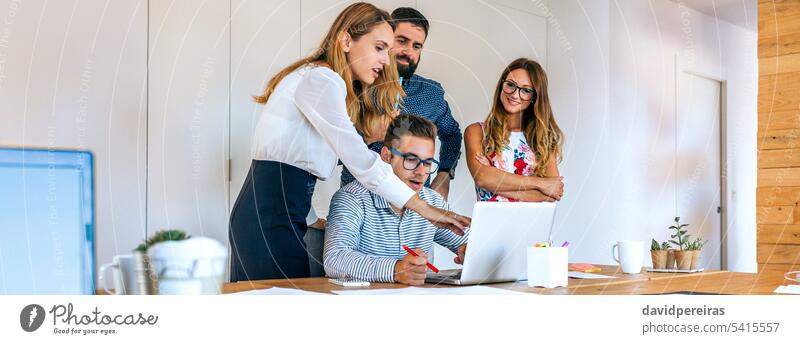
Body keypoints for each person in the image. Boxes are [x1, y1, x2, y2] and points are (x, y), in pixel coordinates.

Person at [229, 2, 470, 282]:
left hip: (277, 210)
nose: (385, 59)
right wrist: (424, 208)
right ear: (346, 40)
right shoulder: (323, 79)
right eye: (379, 47)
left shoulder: (319, 79)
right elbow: (359, 159)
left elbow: (300, 162)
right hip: (269, 215)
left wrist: (308, 217)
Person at [324, 115, 468, 285]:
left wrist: (472, 252)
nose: (421, 172)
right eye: (411, 160)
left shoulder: (434, 202)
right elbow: (334, 259)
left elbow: (467, 243)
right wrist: (396, 270)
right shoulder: (352, 198)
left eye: (428, 163)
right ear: (386, 156)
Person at [340, 7, 462, 200]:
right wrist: (367, 138)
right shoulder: (355, 86)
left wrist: (445, 174)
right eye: (402, 41)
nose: (408, 52)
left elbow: (452, 134)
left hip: (415, 209)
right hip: (358, 201)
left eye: (417, 46)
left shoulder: (432, 94)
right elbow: (327, 149)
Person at [464, 58, 565, 202]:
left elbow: (552, 193)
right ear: (501, 86)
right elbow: (482, 178)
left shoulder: (543, 139)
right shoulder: (477, 132)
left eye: (525, 90)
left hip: (532, 222)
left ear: (534, 97)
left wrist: (495, 179)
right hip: (490, 222)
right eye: (510, 85)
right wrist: (539, 183)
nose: (515, 94)